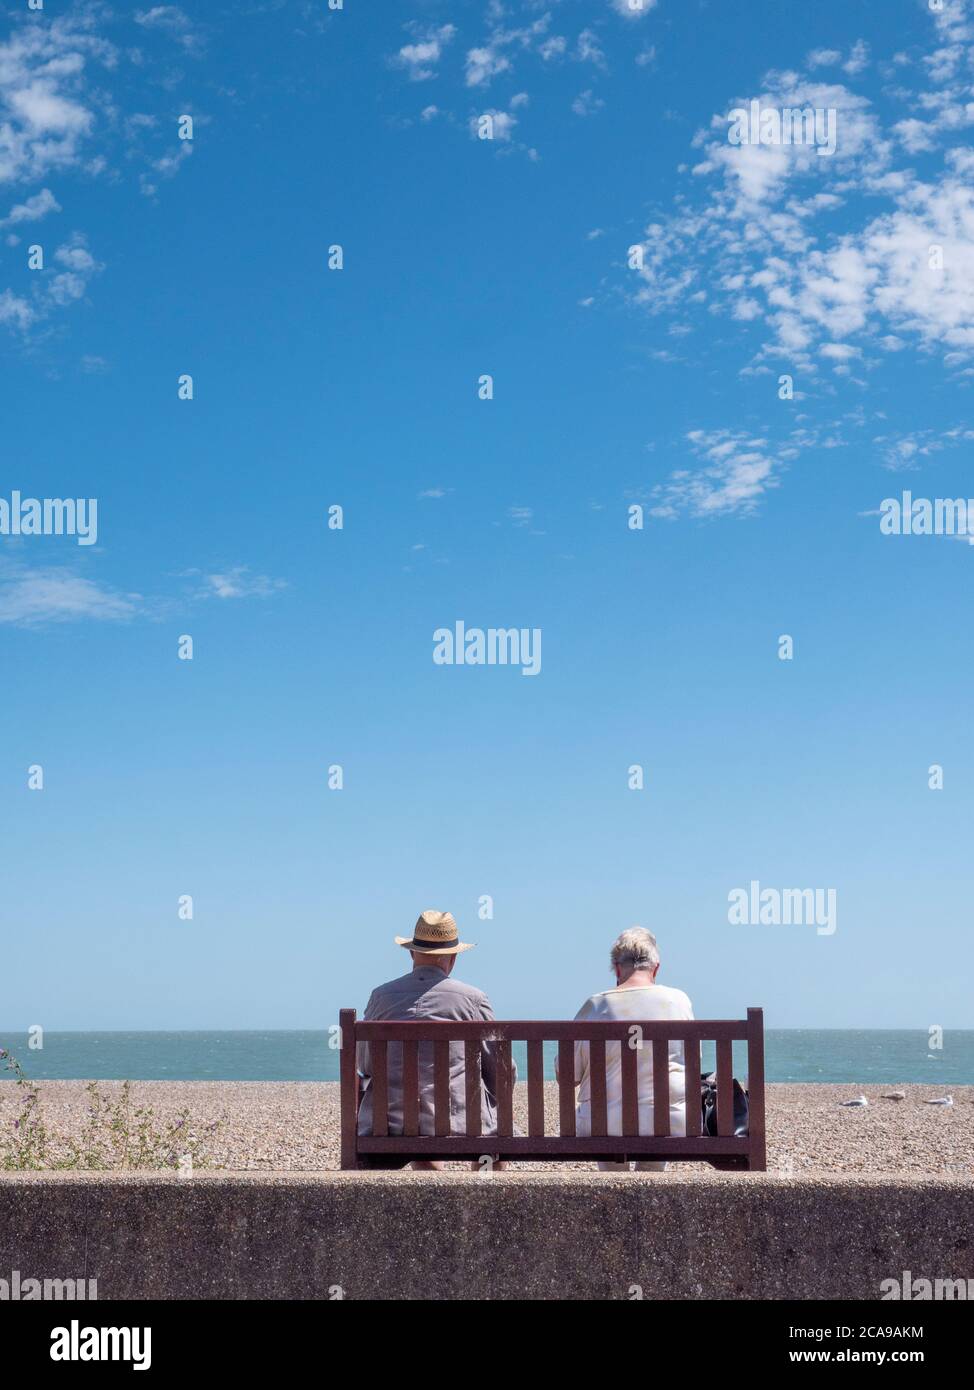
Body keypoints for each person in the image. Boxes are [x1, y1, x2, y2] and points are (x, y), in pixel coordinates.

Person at [356, 910, 512, 1170]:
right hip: (459, 1124)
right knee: (495, 1133)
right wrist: (494, 1101)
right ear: (453, 958)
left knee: (419, 1117)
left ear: (411, 953)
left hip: (387, 1125)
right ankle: (488, 1204)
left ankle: (433, 1194)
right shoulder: (473, 999)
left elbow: (366, 1064)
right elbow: (500, 1068)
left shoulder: (380, 997)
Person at [566, 926, 694, 1172]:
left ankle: (616, 1189)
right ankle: (648, 1190)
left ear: (616, 968)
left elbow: (568, 1076)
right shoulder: (679, 1001)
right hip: (669, 1124)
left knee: (605, 1120)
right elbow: (691, 1063)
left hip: (604, 1125)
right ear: (656, 968)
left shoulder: (596, 1006)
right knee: (659, 1117)